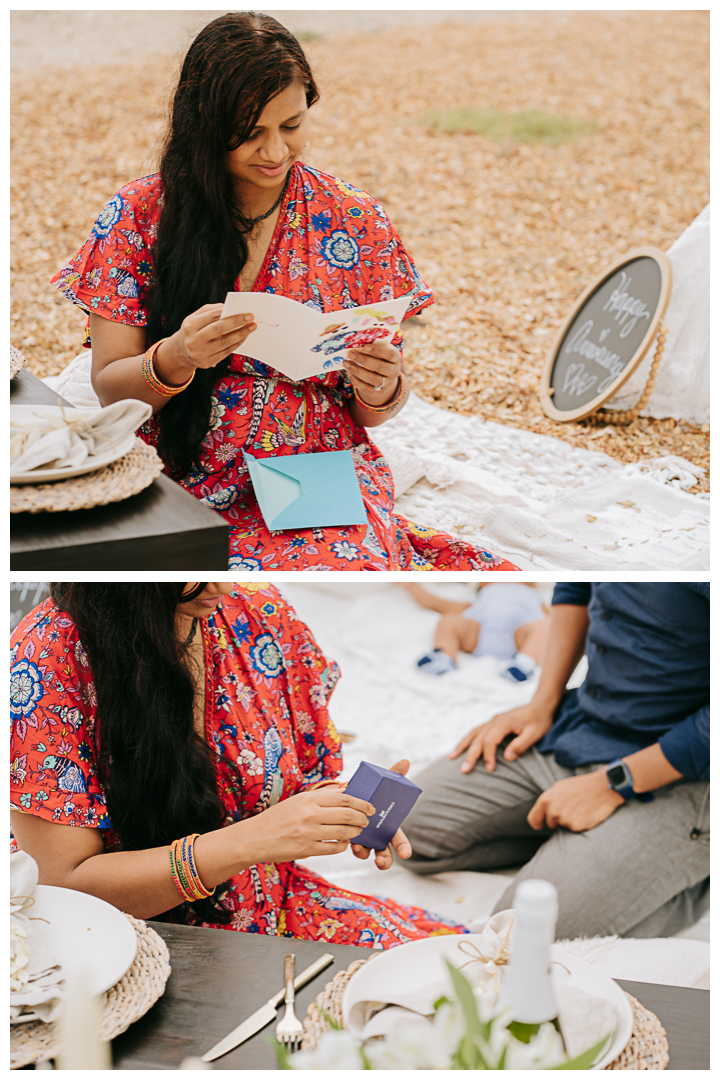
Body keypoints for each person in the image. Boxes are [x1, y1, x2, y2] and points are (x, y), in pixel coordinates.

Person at [49, 12, 518, 573]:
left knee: (337, 568)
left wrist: (382, 387)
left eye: (292, 125)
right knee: (177, 579)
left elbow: (373, 409)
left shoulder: (353, 219)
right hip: (177, 452)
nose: (275, 151)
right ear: (204, 124)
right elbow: (109, 389)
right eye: (250, 133)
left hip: (312, 463)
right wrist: (177, 356)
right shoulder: (140, 214)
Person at [10, 583, 467, 948]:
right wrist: (252, 840)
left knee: (451, 976)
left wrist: (335, 809)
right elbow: (63, 886)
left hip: (270, 902)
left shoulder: (258, 613)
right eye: (194, 570)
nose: (225, 584)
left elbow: (294, 782)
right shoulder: (44, 661)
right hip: (117, 940)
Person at [402, 583, 710, 940]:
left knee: (520, 933)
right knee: (404, 827)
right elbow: (576, 590)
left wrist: (614, 784)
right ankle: (572, 839)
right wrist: (542, 703)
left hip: (685, 770)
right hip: (582, 724)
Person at [403, 582, 549, 680]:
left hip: (519, 638)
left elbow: (562, 619)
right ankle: (444, 657)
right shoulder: (480, 599)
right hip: (478, 635)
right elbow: (435, 603)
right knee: (450, 620)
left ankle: (524, 663)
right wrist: (410, 586)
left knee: (546, 626)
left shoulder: (535, 599)